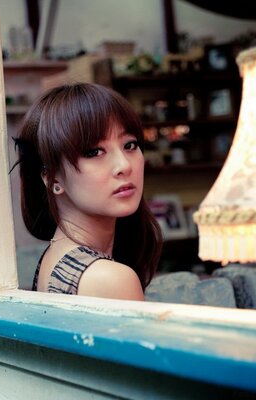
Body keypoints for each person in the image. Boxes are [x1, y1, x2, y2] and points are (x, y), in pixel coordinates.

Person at [13, 82, 162, 301]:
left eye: (129, 145)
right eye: (94, 152)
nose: (124, 165)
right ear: (53, 177)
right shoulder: (109, 279)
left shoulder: (57, 258)